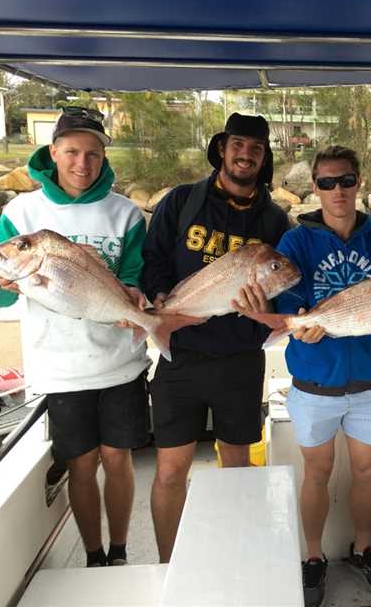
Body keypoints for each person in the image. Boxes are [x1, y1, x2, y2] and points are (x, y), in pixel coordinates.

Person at [0, 107, 150, 567]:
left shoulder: (126, 213)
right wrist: (0, 284)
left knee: (118, 460)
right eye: (73, 152)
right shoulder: (20, 213)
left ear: (104, 157)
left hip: (122, 361)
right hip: (59, 369)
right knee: (82, 465)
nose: (83, 163)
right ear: (53, 153)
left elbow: (135, 277)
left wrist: (134, 300)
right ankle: (93, 554)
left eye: (94, 154)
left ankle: (119, 552)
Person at [141, 113, 289, 562]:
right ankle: (170, 565)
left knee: (238, 467)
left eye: (256, 149)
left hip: (240, 361)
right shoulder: (181, 202)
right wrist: (163, 301)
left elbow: (285, 291)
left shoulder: (275, 220)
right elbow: (153, 260)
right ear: (222, 148)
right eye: (238, 144)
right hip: (179, 357)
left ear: (263, 160)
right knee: (169, 471)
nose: (246, 154)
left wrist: (265, 311)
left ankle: (233, 560)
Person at [274, 145, 371, 607]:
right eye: (327, 183)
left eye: (345, 180)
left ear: (358, 182)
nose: (337, 191)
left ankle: (364, 547)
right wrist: (301, 322)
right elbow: (287, 305)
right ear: (314, 188)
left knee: (367, 472)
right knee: (317, 472)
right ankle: (313, 557)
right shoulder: (296, 242)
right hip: (314, 383)